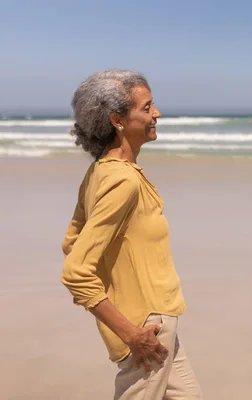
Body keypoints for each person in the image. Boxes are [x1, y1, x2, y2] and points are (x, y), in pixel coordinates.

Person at [61, 69, 203, 399]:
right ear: (118, 120)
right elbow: (76, 270)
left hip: (156, 321)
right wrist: (130, 332)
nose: (157, 114)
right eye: (147, 107)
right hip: (146, 326)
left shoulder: (101, 171)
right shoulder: (121, 180)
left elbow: (72, 242)